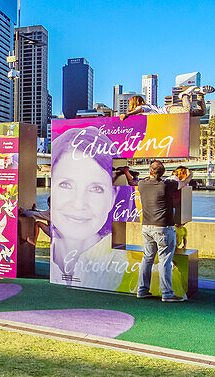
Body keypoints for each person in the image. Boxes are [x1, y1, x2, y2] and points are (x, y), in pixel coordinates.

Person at [49, 127, 124, 289]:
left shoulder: (129, 268)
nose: (78, 203)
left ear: (112, 198)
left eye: (96, 188)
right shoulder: (51, 260)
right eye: (66, 185)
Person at [125, 160, 192, 302]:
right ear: (163, 173)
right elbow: (184, 183)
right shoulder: (167, 184)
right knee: (165, 261)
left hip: (146, 227)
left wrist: (128, 173)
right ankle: (167, 293)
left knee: (147, 258)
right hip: (164, 228)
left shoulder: (142, 184)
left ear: (149, 172)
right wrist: (190, 174)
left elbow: (132, 182)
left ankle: (142, 290)